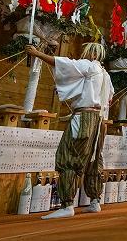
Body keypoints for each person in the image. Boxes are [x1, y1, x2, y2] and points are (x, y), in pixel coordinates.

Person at [24, 42, 112, 220]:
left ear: (93, 54)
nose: (83, 56)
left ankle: (67, 204)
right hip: (99, 120)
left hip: (84, 118)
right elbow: (103, 95)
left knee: (68, 158)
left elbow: (62, 63)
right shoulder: (105, 74)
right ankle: (95, 200)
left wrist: (37, 53)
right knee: (93, 159)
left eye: (86, 52)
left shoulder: (88, 65)